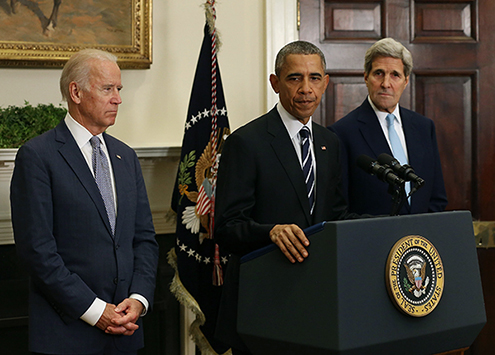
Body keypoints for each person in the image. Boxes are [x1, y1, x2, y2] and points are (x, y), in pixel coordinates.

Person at [10, 49, 159, 355]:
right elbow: (38, 252)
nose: (118, 98)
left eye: (119, 89)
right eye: (108, 89)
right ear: (75, 92)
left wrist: (140, 298)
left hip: (126, 333)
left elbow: (144, 239)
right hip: (67, 336)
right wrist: (95, 311)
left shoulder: (126, 157)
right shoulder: (38, 156)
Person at [213, 41, 357, 354]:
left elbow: (336, 216)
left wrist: (389, 223)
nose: (306, 88)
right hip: (264, 308)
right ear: (275, 83)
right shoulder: (246, 143)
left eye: (315, 78)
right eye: (295, 78)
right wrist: (271, 231)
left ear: (326, 83)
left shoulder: (329, 143)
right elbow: (226, 228)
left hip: (317, 304)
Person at [330, 37, 448, 215]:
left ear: (406, 81)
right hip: (373, 239)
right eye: (378, 73)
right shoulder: (342, 132)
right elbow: (340, 208)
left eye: (395, 75)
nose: (386, 83)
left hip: (420, 238)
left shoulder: (424, 127)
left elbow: (437, 197)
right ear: (366, 77)